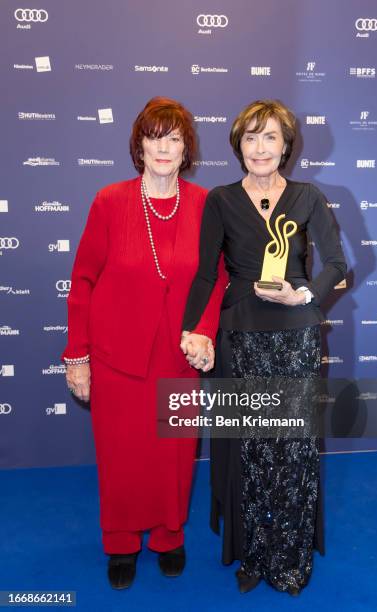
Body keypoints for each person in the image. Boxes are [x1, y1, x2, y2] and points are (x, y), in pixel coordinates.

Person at [182, 99, 347, 595]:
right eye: (250, 137)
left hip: (295, 335)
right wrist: (193, 328)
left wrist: (304, 293)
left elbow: (337, 265)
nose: (260, 147)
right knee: (249, 451)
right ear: (238, 145)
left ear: (286, 146)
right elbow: (207, 272)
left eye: (270, 137)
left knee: (292, 451)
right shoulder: (221, 200)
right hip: (240, 337)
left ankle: (291, 556)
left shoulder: (308, 197)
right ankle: (253, 552)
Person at [62, 97, 227, 589]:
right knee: (121, 456)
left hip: (178, 358)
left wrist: (204, 331)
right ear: (139, 145)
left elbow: (217, 278)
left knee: (173, 456)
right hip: (117, 358)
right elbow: (84, 280)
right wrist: (77, 355)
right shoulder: (109, 201)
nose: (163, 147)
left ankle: (168, 535)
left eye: (174, 138)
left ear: (186, 149)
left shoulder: (204, 205)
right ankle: (119, 542)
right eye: (154, 137)